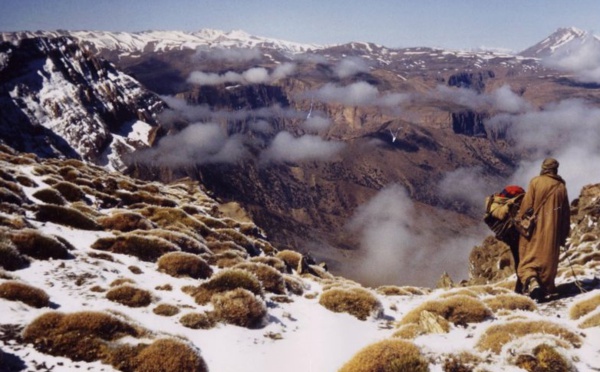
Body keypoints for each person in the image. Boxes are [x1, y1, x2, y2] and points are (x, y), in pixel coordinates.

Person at [517, 158, 570, 302]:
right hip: (552, 234)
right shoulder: (561, 187)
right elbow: (566, 214)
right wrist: (563, 234)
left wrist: (521, 219)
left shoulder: (535, 182)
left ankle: (532, 281)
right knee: (548, 262)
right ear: (555, 169)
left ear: (544, 168)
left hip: (534, 231)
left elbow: (526, 207)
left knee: (528, 259)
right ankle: (545, 287)